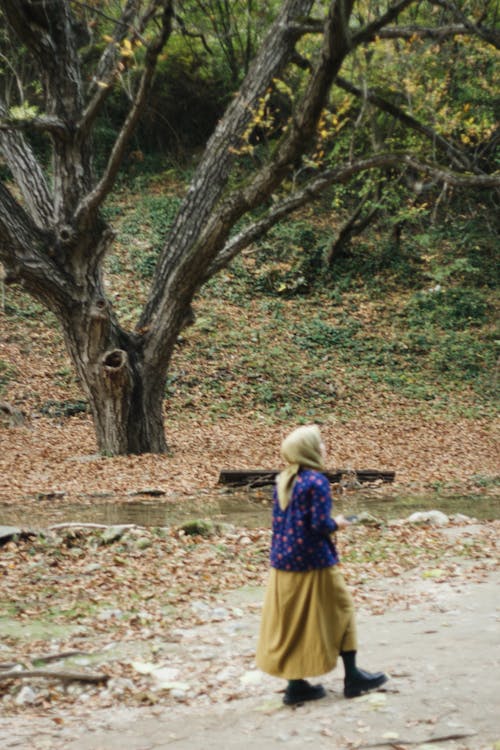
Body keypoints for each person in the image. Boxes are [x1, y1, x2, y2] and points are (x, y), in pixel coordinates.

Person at [256, 424, 388, 705]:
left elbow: (285, 524)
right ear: (308, 451)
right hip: (314, 563)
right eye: (320, 445)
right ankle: (353, 677)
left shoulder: (284, 481)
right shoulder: (316, 482)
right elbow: (318, 525)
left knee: (294, 621)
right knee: (341, 610)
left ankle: (296, 686)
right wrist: (338, 523)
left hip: (283, 563)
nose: (324, 448)